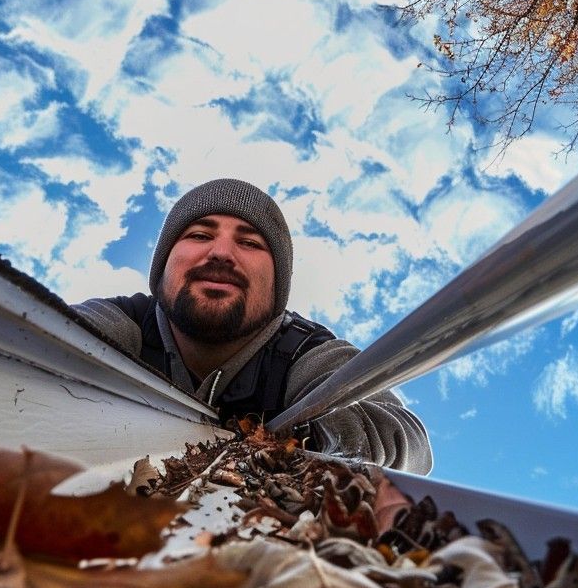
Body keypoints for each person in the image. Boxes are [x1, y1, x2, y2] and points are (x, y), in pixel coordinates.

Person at [74, 178, 432, 474]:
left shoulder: (304, 351)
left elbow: (407, 442)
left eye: (248, 242)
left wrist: (313, 440)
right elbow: (42, 339)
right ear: (163, 265)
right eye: (199, 235)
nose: (221, 253)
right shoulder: (124, 320)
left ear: (277, 286)